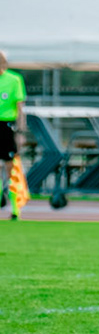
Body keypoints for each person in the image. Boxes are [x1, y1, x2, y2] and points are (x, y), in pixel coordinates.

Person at [0, 51, 22, 221]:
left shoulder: (14, 79)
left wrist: (21, 132)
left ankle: (15, 209)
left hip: (7, 126)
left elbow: (20, 107)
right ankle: (1, 195)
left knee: (11, 168)